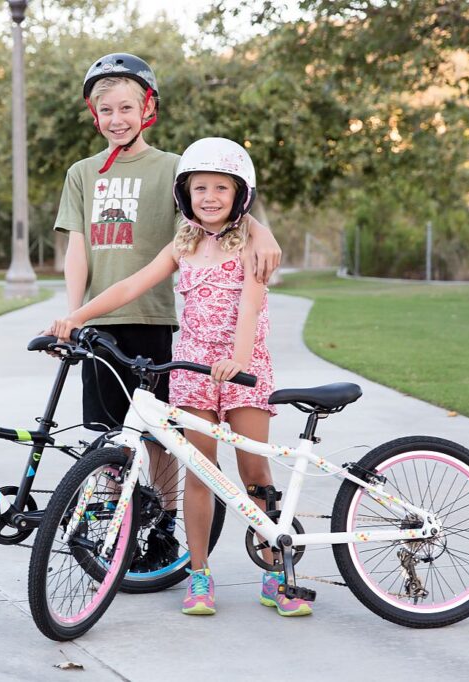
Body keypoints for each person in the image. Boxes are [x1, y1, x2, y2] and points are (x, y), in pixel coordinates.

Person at [51, 137, 311, 618]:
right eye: (199, 189)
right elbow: (131, 284)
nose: (209, 197)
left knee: (255, 472)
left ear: (240, 196)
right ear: (184, 194)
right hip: (191, 371)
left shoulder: (253, 241)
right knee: (201, 472)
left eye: (220, 188)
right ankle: (199, 574)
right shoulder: (183, 242)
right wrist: (78, 316)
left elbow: (251, 307)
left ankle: (276, 574)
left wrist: (236, 360)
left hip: (243, 369)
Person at [52, 54, 281, 572]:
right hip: (102, 323)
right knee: (111, 434)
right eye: (105, 109)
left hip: (159, 322)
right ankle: (114, 530)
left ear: (146, 108)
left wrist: (265, 232)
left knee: (162, 440)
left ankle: (162, 528)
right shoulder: (82, 174)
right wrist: (76, 314)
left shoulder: (178, 167)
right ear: (94, 114)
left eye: (126, 108)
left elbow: (226, 205)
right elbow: (78, 247)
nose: (116, 119)